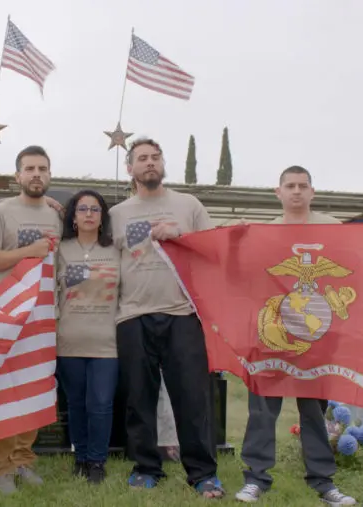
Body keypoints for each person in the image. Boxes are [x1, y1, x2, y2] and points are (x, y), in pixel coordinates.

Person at [110, 137, 224, 499]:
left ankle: (203, 474)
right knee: (139, 399)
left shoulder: (188, 205)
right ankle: (146, 468)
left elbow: (213, 250)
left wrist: (181, 235)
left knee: (192, 398)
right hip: (133, 315)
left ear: (162, 164)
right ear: (130, 168)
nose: (150, 163)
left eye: (155, 157)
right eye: (142, 158)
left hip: (182, 314)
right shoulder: (117, 214)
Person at [235, 165, 355, 506]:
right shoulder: (263, 233)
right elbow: (246, 276)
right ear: (279, 192)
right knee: (262, 410)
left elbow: (357, 269)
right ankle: (256, 479)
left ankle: (323, 482)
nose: (297, 191)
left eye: (303, 185)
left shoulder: (334, 229)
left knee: (314, 412)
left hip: (318, 336)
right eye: (290, 186)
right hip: (273, 334)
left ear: (312, 191)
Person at [0, 145, 62, 494]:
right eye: (30, 168)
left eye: (42, 168)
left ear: (50, 174)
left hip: (45, 315)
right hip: (8, 313)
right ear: (18, 175)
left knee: (35, 388)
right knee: (4, 391)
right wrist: (28, 251)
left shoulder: (56, 215)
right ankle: (1, 467)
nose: (36, 174)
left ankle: (24, 459)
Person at [55, 189, 120, 484]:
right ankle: (80, 457)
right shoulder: (61, 249)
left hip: (107, 341)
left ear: (102, 216)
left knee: (101, 403)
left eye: (95, 209)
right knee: (76, 403)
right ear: (73, 216)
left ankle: (97, 460)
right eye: (83, 209)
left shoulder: (116, 249)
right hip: (69, 339)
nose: (89, 214)